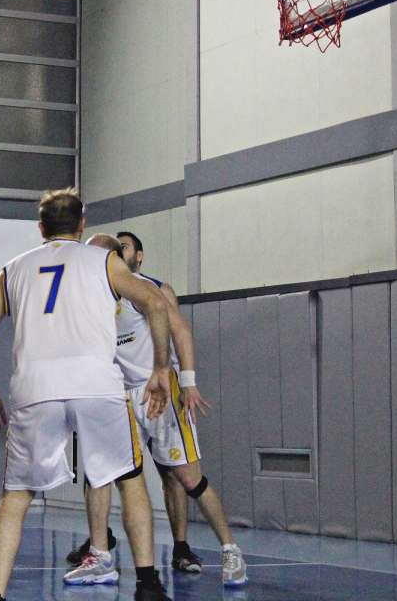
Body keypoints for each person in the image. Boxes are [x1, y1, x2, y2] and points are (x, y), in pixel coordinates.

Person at [0, 188, 175, 601]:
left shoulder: (13, 269)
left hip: (35, 388)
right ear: (82, 225)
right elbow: (156, 304)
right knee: (129, 481)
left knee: (15, 497)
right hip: (96, 385)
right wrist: (161, 369)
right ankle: (148, 585)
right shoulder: (104, 260)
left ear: (41, 228)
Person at [71, 232, 246, 587]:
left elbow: (180, 331)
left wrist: (188, 380)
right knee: (100, 474)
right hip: (118, 397)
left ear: (114, 258)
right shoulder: (89, 297)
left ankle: (230, 549)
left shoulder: (145, 289)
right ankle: (100, 553)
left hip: (159, 390)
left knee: (188, 478)